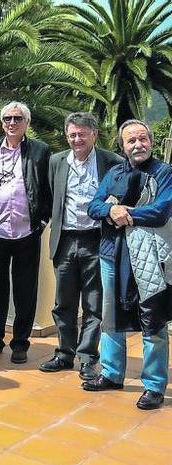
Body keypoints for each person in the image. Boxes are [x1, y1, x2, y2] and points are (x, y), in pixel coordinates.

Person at [84, 119, 172, 410]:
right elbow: (93, 206)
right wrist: (111, 208)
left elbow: (160, 212)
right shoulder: (114, 173)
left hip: (150, 260)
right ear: (122, 146)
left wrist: (123, 212)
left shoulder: (165, 173)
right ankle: (111, 374)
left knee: (153, 320)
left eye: (143, 139)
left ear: (151, 141)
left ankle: (154, 386)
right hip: (112, 255)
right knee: (110, 318)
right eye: (131, 140)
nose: (138, 144)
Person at [41, 112, 122, 380]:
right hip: (64, 239)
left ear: (94, 135)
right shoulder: (56, 161)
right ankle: (64, 353)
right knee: (63, 301)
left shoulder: (111, 161)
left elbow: (126, 191)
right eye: (72, 134)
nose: (77, 139)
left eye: (82, 134)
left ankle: (88, 357)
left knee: (93, 303)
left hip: (96, 240)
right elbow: (50, 196)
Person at [0, 101, 51, 364]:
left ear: (27, 123)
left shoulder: (40, 152)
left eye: (18, 118)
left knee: (25, 290)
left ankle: (20, 343)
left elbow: (48, 191)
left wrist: (41, 222)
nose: (12, 123)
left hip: (27, 233)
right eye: (8, 118)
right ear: (1, 123)